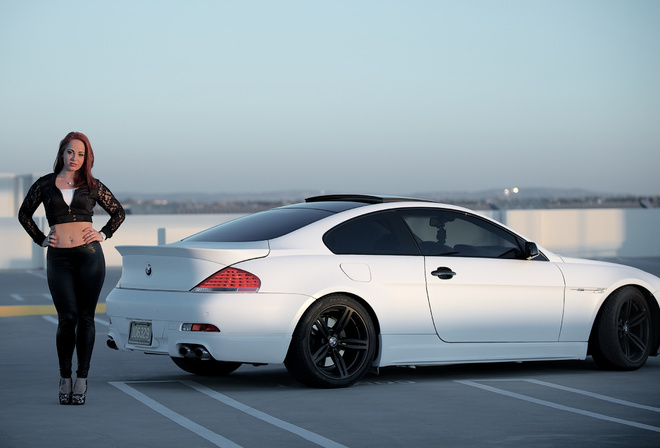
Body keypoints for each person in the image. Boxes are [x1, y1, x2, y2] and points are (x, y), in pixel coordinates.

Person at [18, 131, 125, 405]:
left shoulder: (92, 185)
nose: (74, 158)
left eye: (81, 154)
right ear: (61, 153)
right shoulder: (44, 184)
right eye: (70, 152)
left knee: (86, 318)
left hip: (89, 256)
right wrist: (41, 238)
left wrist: (102, 233)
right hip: (58, 258)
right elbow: (24, 214)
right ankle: (65, 376)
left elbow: (119, 212)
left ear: (86, 158)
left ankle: (82, 378)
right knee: (67, 319)